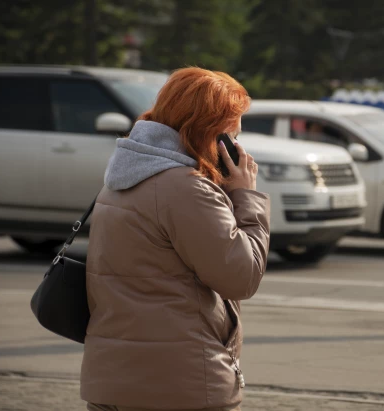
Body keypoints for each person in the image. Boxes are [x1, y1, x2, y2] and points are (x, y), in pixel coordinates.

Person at [81, 67, 271, 411]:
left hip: (113, 382)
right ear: (210, 133)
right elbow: (241, 276)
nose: (238, 149)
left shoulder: (124, 175)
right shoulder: (186, 189)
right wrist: (246, 196)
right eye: (232, 136)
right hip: (182, 387)